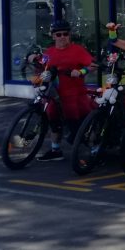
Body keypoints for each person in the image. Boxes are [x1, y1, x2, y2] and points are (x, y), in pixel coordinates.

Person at [32, 19, 96, 161]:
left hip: (75, 95)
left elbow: (93, 66)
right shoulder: (49, 52)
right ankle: (55, 150)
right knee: (54, 122)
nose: (62, 37)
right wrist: (32, 58)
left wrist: (81, 71)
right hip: (54, 95)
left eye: (65, 34)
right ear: (53, 36)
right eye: (58, 34)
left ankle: (95, 150)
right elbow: (41, 66)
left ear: (69, 35)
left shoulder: (78, 50)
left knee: (81, 126)